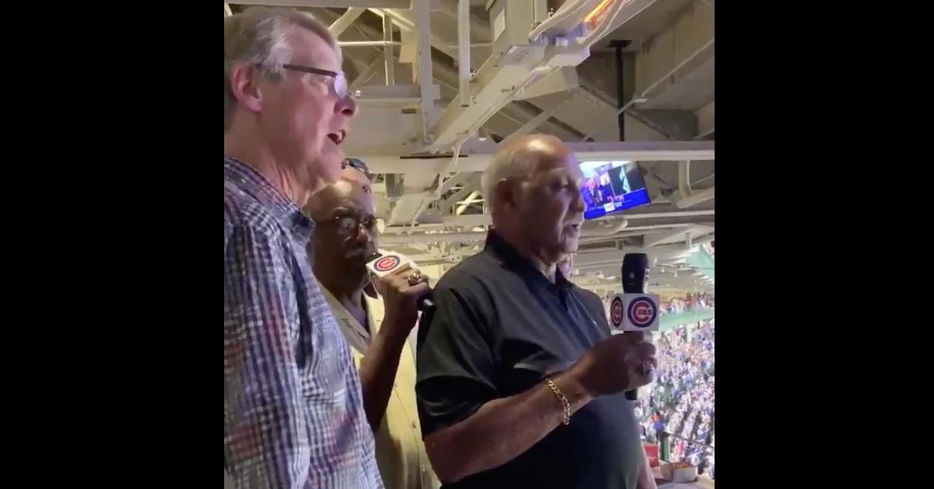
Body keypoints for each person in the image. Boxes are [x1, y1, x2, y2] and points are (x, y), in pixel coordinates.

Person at [415, 134, 658, 489]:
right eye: (561, 187)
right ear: (509, 196)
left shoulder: (585, 302)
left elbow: (618, 424)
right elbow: (451, 455)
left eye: (582, 189)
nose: (581, 205)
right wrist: (580, 382)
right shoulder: (464, 294)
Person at [223, 7, 382, 489]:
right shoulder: (251, 228)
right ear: (251, 87)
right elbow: (270, 471)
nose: (348, 106)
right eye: (327, 83)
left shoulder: (269, 228)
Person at [305, 164, 440, 489]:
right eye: (345, 221)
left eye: (368, 222)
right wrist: (393, 331)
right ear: (304, 230)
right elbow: (340, 434)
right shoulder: (301, 322)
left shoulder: (386, 305)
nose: (364, 236)